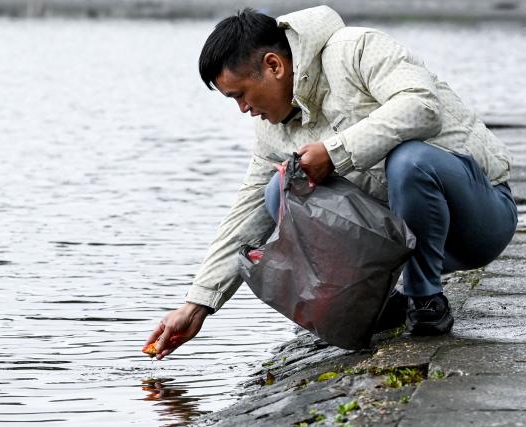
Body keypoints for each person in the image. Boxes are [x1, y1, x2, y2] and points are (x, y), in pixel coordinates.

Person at [144, 6, 517, 359]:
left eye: (240, 95)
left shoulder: (356, 49)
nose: (244, 109)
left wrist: (334, 152)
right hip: (405, 244)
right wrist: (198, 303)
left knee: (410, 161)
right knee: (278, 191)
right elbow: (250, 212)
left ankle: (425, 300)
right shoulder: (270, 130)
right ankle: (372, 304)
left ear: (273, 65)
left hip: (479, 220)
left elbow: (422, 105)